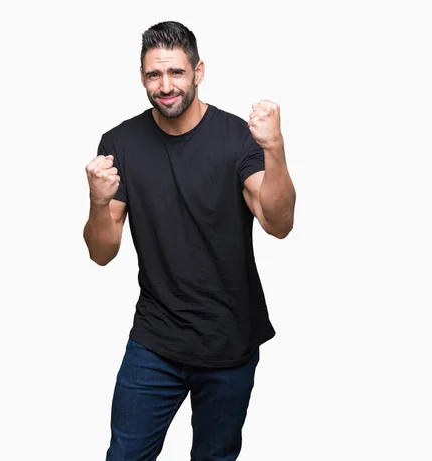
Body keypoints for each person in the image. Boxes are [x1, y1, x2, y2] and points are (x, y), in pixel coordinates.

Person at [83, 20, 296, 461]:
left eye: (176, 73)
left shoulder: (237, 136)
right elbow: (102, 252)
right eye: (153, 75)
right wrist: (98, 202)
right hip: (155, 340)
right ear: (142, 77)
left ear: (198, 71)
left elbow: (278, 223)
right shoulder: (120, 142)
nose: (165, 86)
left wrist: (274, 149)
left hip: (230, 339)